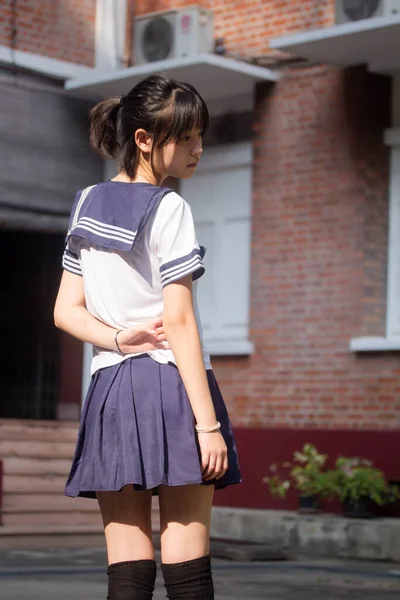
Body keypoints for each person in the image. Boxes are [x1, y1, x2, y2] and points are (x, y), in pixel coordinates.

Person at [54, 74, 241, 600]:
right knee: (188, 574)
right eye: (186, 137)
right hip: (171, 388)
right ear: (143, 139)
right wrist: (207, 426)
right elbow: (179, 322)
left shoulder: (85, 202)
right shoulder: (171, 206)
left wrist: (117, 338)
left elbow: (65, 312)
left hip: (111, 393)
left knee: (128, 572)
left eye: (200, 135)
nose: (198, 149)